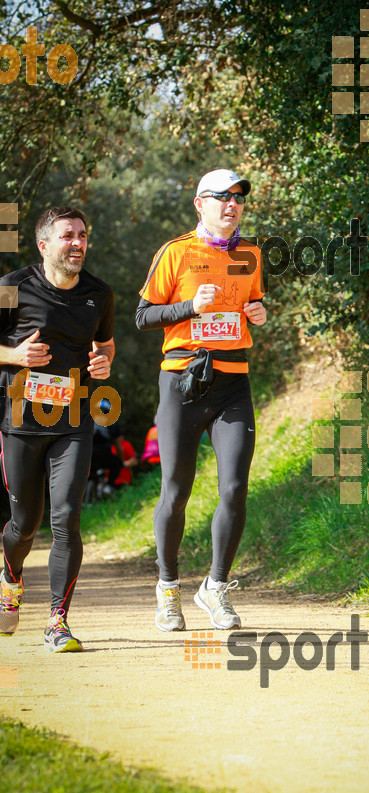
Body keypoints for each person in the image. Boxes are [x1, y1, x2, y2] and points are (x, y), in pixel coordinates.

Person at [136, 168, 266, 631]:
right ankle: (168, 588)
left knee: (234, 487)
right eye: (222, 197)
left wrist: (259, 311)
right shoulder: (175, 252)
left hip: (232, 382)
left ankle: (215, 587)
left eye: (239, 198)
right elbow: (142, 315)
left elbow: (253, 304)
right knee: (176, 489)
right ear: (200, 204)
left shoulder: (251, 254)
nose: (232, 205)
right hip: (181, 383)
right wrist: (191, 308)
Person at [0, 206, 114, 652]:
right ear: (44, 244)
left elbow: (105, 343)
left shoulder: (99, 293)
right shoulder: (12, 287)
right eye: (68, 236)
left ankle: (57, 621)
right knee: (25, 524)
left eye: (83, 235)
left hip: (74, 420)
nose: (78, 243)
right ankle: (10, 574)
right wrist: (13, 357)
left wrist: (105, 360)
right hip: (20, 421)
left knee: (66, 517)